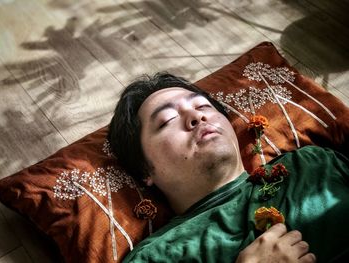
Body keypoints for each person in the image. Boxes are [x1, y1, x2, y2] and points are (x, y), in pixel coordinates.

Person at [108, 73, 349, 262]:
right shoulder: (157, 256)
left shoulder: (312, 164)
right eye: (168, 120)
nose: (196, 116)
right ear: (144, 170)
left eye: (203, 106)